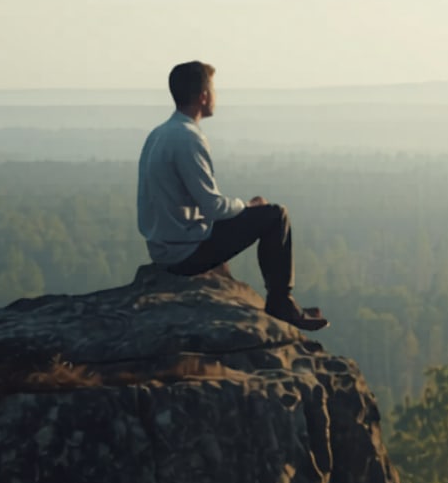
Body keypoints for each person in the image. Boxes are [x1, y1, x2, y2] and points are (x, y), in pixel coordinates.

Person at [136, 61, 327, 331]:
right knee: (275, 216)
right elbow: (213, 207)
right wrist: (247, 206)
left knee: (258, 213)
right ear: (203, 96)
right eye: (213, 90)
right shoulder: (188, 138)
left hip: (163, 248)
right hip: (184, 254)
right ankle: (281, 302)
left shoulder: (158, 134)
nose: (216, 97)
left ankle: (281, 301)